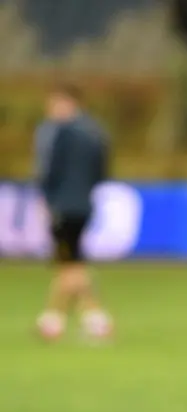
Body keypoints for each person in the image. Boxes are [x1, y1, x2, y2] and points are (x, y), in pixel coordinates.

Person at [34, 84, 113, 341]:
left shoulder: (59, 133)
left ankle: (89, 318)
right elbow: (102, 171)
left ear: (68, 103)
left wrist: (47, 198)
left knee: (69, 263)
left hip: (63, 205)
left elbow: (50, 169)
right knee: (71, 261)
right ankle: (58, 319)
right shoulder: (96, 132)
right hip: (85, 204)